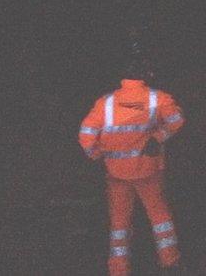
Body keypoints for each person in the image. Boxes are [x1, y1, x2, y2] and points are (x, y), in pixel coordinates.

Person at [78, 59, 186, 276]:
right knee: (159, 217)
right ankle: (170, 263)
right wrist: (159, 136)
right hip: (148, 171)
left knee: (119, 224)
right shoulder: (158, 99)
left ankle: (118, 270)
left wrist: (98, 155)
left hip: (116, 173)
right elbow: (177, 120)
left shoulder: (106, 103)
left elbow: (86, 136)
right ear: (146, 75)